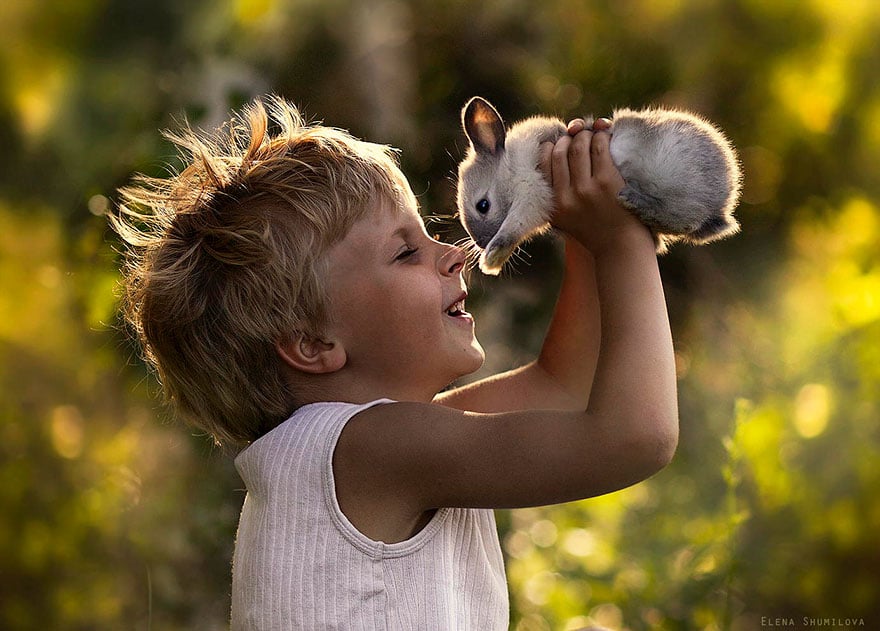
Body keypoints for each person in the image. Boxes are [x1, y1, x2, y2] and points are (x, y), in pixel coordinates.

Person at [112, 95, 678, 630]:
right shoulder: (369, 449)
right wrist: (622, 243)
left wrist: (578, 225)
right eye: (406, 251)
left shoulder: (379, 444)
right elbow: (634, 438)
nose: (454, 252)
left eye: (428, 234)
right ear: (312, 344)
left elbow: (565, 387)